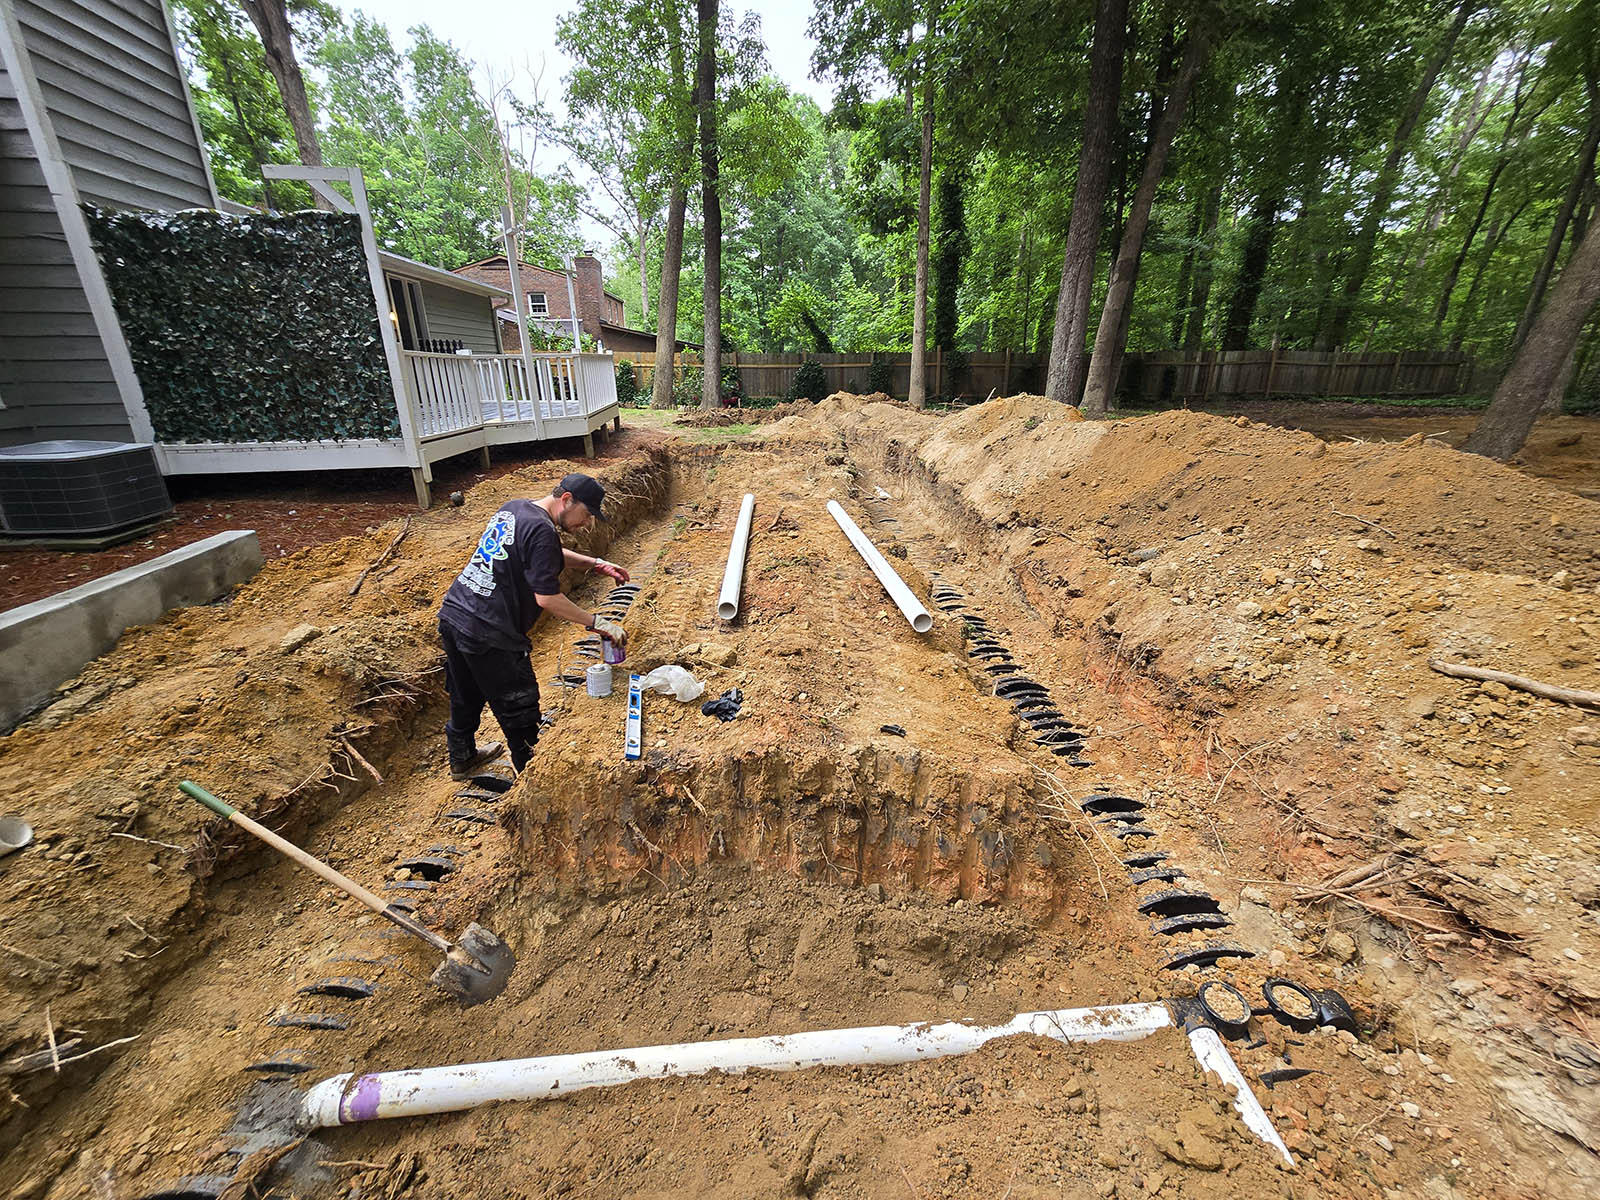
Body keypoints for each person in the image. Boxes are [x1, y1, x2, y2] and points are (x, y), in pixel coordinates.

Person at [438, 472, 629, 777]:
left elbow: (539, 551)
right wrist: (597, 622)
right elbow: (548, 598)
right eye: (588, 514)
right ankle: (531, 778)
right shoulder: (542, 529)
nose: (589, 523)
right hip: (491, 630)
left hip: (455, 614)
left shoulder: (515, 509)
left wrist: (594, 563)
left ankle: (462, 757)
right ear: (566, 500)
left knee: (465, 692)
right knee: (519, 707)